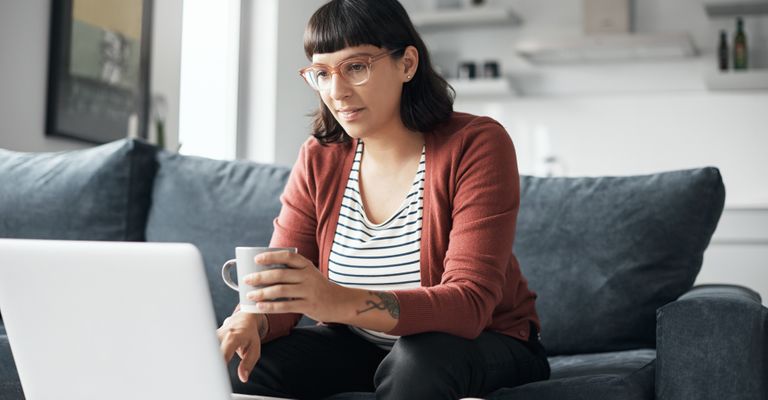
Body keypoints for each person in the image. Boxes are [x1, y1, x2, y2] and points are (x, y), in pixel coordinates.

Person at [217, 0, 550, 398]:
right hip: (361, 346)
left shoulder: (476, 144)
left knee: (416, 361)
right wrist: (252, 320)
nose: (336, 91)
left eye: (356, 67)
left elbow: (469, 304)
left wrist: (335, 301)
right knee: (244, 361)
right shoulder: (319, 157)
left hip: (484, 341)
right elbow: (280, 285)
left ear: (407, 64)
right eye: (322, 73)